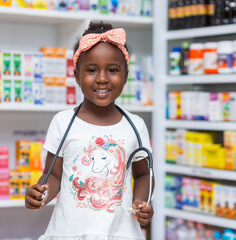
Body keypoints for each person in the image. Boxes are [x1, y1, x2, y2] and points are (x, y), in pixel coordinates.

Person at [25, 21, 154, 239]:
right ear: (76, 76)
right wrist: (40, 193)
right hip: (69, 233)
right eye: (91, 70)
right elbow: (54, 175)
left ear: (125, 75)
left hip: (119, 233)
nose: (102, 78)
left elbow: (143, 174)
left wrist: (142, 202)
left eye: (112, 70)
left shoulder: (135, 125)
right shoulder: (62, 122)